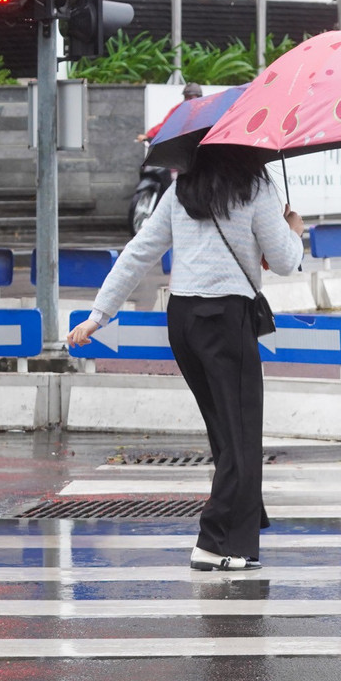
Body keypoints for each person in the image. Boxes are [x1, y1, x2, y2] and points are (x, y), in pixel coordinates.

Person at [67, 146, 305, 569]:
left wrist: (98, 315)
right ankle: (214, 542)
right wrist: (294, 230)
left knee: (226, 431)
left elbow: (140, 252)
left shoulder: (181, 189)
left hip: (183, 321)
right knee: (241, 433)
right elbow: (286, 261)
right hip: (226, 318)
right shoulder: (257, 187)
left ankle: (240, 534)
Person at [137, 82, 203, 143]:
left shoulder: (207, 110)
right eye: (186, 97)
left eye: (191, 97)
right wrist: (149, 135)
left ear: (199, 97)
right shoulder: (179, 109)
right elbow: (165, 125)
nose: (188, 100)